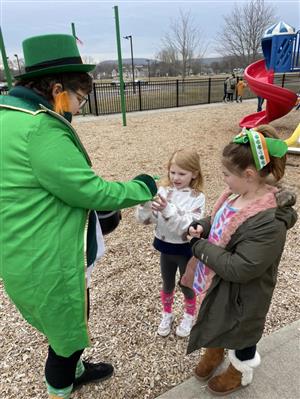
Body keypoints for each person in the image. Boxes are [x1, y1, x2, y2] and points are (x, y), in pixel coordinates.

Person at [0, 34, 158, 399]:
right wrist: (142, 186)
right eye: (80, 98)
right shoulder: (39, 127)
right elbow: (90, 190)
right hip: (49, 257)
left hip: (21, 245)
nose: (80, 107)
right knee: (67, 335)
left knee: (70, 316)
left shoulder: (8, 114)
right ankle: (62, 387)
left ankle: (76, 370)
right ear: (57, 88)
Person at [182, 125, 297, 395]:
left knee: (243, 329)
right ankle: (214, 352)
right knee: (216, 316)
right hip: (218, 280)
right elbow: (224, 221)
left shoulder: (270, 220)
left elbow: (241, 267)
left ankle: (239, 371)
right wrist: (203, 226)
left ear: (248, 174)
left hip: (245, 293)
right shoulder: (239, 194)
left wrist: (198, 246)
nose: (223, 180)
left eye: (226, 174)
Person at [136, 149, 205, 338]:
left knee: (186, 285)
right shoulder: (162, 191)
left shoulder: (197, 197)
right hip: (165, 248)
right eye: (172, 172)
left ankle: (189, 315)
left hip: (185, 250)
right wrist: (144, 206)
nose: (176, 177)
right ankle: (167, 314)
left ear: (194, 174)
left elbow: (190, 225)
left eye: (182, 173)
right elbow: (147, 220)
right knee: (167, 283)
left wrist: (168, 210)